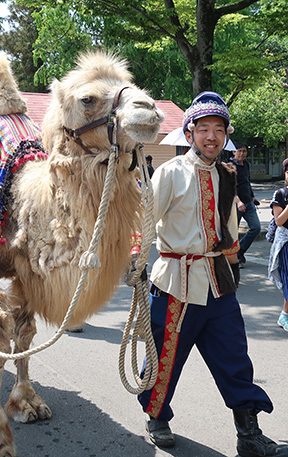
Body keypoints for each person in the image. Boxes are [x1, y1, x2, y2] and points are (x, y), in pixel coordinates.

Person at [137, 91, 287, 457]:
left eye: (219, 130)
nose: (211, 137)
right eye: (203, 129)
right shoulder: (171, 173)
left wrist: (233, 262)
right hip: (175, 282)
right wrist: (135, 263)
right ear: (189, 134)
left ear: (225, 135)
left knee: (235, 358)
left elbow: (229, 228)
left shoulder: (226, 173)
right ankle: (156, 416)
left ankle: (249, 435)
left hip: (219, 282)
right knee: (165, 359)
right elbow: (141, 221)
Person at [229, 142, 261, 266]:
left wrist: (252, 196)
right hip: (235, 204)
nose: (242, 153)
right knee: (233, 231)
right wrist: (238, 202)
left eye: (244, 151)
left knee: (256, 227)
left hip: (248, 202)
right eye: (239, 151)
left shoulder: (246, 164)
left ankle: (239, 251)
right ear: (233, 151)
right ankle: (231, 258)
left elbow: (247, 182)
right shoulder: (230, 165)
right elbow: (230, 187)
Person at [268, 158, 288, 333]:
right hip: (286, 244)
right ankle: (284, 315)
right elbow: (279, 221)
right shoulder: (280, 194)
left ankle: (284, 314)